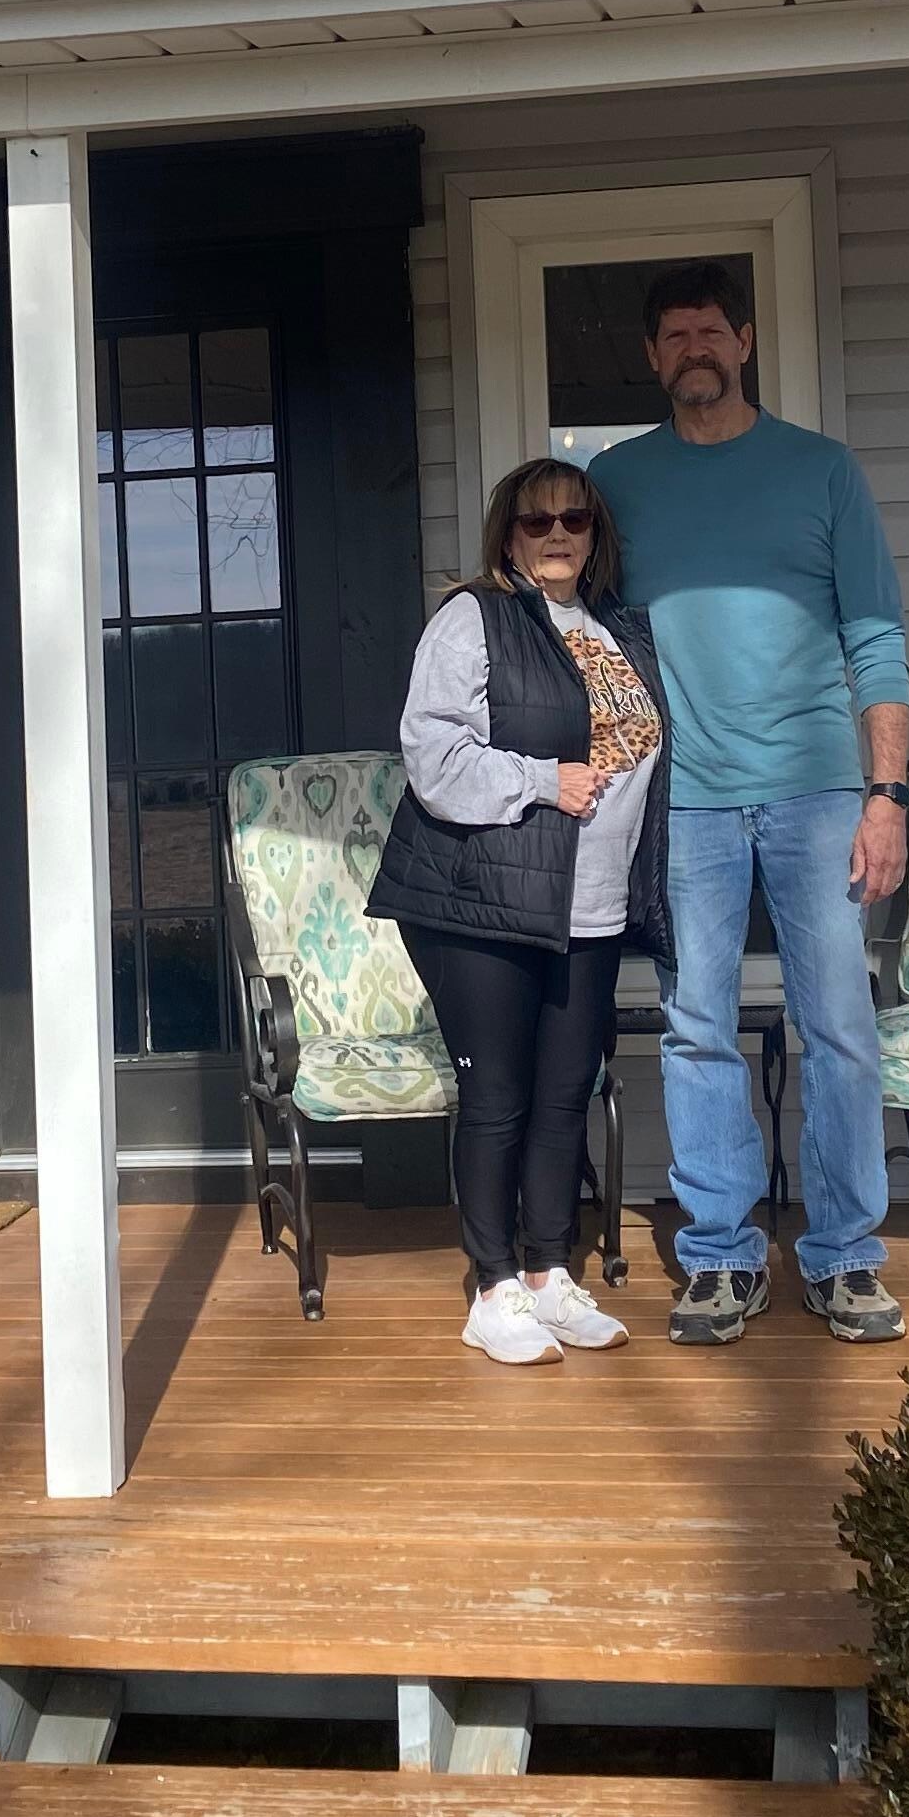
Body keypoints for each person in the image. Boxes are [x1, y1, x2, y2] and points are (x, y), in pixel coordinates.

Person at [590, 259, 909, 1349]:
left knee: (841, 1027)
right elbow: (576, 631)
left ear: (745, 343)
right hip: (685, 803)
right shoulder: (620, 485)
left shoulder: (822, 472)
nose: (695, 350)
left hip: (823, 792)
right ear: (653, 356)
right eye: (674, 335)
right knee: (695, 1029)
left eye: (711, 332)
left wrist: (888, 796)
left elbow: (876, 636)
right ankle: (723, 1258)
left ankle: (844, 1257)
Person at [366, 461, 672, 1368]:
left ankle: (548, 1273)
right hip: (486, 901)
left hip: (592, 904)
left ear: (595, 531)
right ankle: (492, 1284)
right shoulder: (473, 618)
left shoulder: (622, 630)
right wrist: (543, 780)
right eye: (536, 521)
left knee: (563, 1092)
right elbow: (433, 754)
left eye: (573, 518)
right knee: (497, 1097)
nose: (556, 533)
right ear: (509, 535)